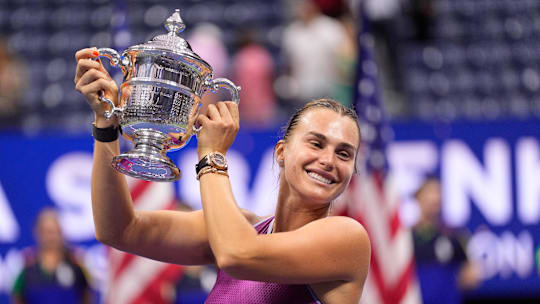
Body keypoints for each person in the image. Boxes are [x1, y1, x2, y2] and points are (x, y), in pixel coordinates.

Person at [74, 47, 370, 303]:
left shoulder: (347, 238)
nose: (329, 160)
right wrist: (106, 125)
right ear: (281, 152)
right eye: (316, 143)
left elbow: (237, 255)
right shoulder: (238, 228)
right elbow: (118, 230)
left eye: (344, 153)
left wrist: (212, 155)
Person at [412, 177, 481, 304]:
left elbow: (472, 274)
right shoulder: (406, 237)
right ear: (418, 197)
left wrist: (448, 285)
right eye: (429, 193)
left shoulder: (455, 234)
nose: (434, 198)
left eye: (438, 192)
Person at [11, 208, 92, 304]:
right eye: (47, 232)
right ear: (38, 233)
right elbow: (17, 297)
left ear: (61, 233)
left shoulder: (76, 263)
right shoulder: (26, 265)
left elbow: (87, 295)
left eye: (55, 231)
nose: (51, 237)